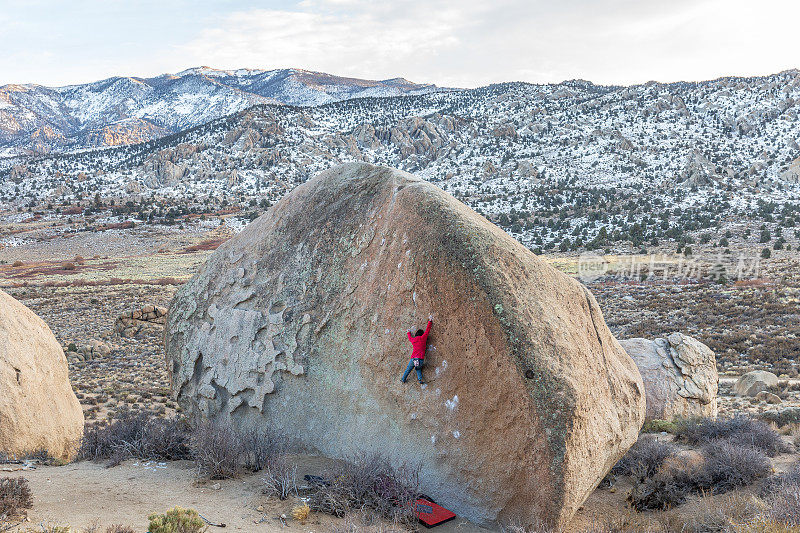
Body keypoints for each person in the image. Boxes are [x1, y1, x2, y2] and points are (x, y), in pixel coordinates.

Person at [401, 314, 433, 384]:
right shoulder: (423, 338)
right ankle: (420, 379)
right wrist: (430, 321)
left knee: (408, 369)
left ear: (416, 334)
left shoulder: (414, 340)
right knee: (418, 368)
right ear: (422, 334)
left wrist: (408, 332)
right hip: (420, 359)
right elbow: (427, 330)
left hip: (413, 359)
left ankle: (403, 379)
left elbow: (410, 338)